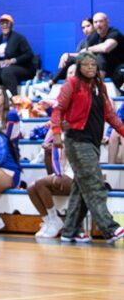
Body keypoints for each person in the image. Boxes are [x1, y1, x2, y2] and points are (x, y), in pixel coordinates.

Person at [50, 50, 124, 244]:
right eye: (86, 65)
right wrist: (56, 133)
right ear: (79, 67)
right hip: (76, 140)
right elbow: (57, 109)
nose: (91, 68)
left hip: (93, 142)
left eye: (93, 65)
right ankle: (110, 228)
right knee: (94, 183)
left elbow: (110, 115)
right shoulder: (72, 84)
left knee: (81, 187)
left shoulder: (100, 86)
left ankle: (70, 231)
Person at [27, 129, 73, 239]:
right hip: (62, 173)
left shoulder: (77, 135)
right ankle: (49, 221)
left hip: (74, 175)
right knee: (31, 188)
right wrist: (48, 153)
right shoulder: (59, 134)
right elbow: (51, 170)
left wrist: (61, 147)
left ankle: (55, 220)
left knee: (40, 183)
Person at [0, 15, 35, 97]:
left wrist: (12, 61)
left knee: (7, 72)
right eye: (2, 23)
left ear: (11, 25)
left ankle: (13, 99)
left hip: (21, 67)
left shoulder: (19, 38)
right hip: (3, 68)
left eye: (7, 23)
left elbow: (29, 54)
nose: (4, 25)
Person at [79, 12, 124, 89]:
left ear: (107, 22)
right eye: (95, 22)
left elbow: (106, 48)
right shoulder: (93, 37)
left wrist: (87, 49)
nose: (98, 24)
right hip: (108, 69)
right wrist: (68, 55)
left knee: (101, 56)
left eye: (101, 21)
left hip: (120, 66)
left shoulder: (114, 33)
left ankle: (97, 88)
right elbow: (81, 54)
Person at [50, 17, 93, 86]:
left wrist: (67, 55)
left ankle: (51, 82)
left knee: (69, 59)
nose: (86, 29)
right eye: (83, 28)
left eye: (88, 26)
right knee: (66, 68)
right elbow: (77, 57)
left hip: (93, 67)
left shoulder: (99, 39)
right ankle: (52, 80)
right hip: (81, 68)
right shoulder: (82, 43)